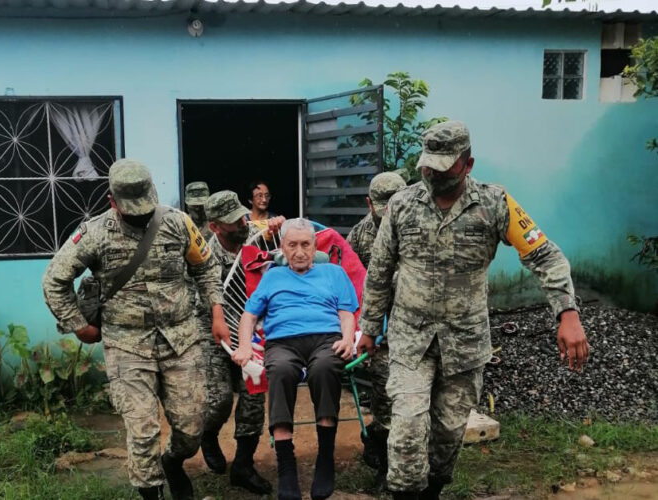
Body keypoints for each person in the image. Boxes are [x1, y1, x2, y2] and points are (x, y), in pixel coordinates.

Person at [358, 121, 590, 500]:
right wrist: (368, 328)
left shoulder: (495, 203)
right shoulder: (402, 204)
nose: (432, 173)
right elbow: (380, 272)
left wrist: (567, 313)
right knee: (407, 429)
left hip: (464, 344)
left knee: (448, 437)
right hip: (410, 339)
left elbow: (545, 255)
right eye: (428, 164)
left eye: (444, 165)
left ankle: (430, 491)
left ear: (468, 163)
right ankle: (404, 491)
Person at [42, 159, 228, 500]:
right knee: (142, 430)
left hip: (181, 339)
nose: (142, 216)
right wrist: (78, 325)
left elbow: (205, 267)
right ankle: (151, 491)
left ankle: (172, 462)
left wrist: (216, 310)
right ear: (112, 201)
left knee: (191, 426)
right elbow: (55, 280)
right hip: (126, 344)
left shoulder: (177, 222)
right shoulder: (94, 233)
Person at [232, 218, 358, 500]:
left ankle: (325, 460)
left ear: (315, 247)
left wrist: (348, 339)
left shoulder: (334, 273)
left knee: (326, 367)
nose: (299, 251)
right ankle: (286, 468)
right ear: (282, 248)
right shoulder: (272, 277)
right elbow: (249, 316)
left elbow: (347, 313)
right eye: (292, 245)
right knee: (279, 371)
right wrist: (243, 346)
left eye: (306, 245)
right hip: (282, 342)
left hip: (326, 338)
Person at [198, 190, 283, 495]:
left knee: (253, 393)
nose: (242, 223)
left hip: (250, 331)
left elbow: (279, 242)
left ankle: (243, 466)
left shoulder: (252, 238)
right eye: (233, 222)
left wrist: (277, 229)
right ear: (215, 226)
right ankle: (208, 435)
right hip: (213, 331)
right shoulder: (202, 256)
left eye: (242, 216)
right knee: (219, 399)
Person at [346, 171, 406, 488]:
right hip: (378, 329)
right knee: (383, 389)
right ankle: (384, 464)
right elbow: (348, 284)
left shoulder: (417, 226)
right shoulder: (359, 237)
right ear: (370, 204)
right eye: (383, 210)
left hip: (413, 323)